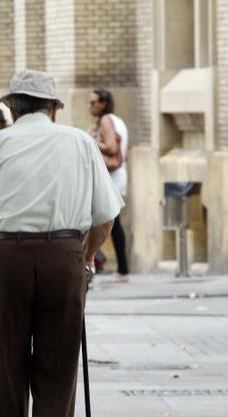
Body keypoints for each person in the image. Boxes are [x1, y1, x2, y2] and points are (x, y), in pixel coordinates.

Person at [0, 69, 124, 417]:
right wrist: (84, 259)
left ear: (11, 109)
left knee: (9, 371)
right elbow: (105, 218)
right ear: (52, 110)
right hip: (62, 257)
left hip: (5, 259)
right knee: (57, 372)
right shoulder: (79, 143)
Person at [89, 88, 130, 281]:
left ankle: (119, 267)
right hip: (119, 174)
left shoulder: (106, 120)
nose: (90, 106)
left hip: (110, 176)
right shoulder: (118, 120)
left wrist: (90, 140)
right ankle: (121, 267)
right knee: (113, 222)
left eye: (93, 102)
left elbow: (112, 147)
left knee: (107, 221)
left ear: (103, 103)